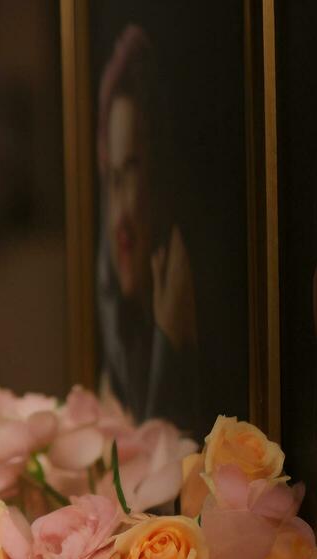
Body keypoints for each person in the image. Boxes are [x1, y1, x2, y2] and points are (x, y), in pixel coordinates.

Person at [94, 24, 201, 431]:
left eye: (132, 174)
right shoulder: (120, 355)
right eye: (113, 181)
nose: (118, 214)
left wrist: (172, 344)